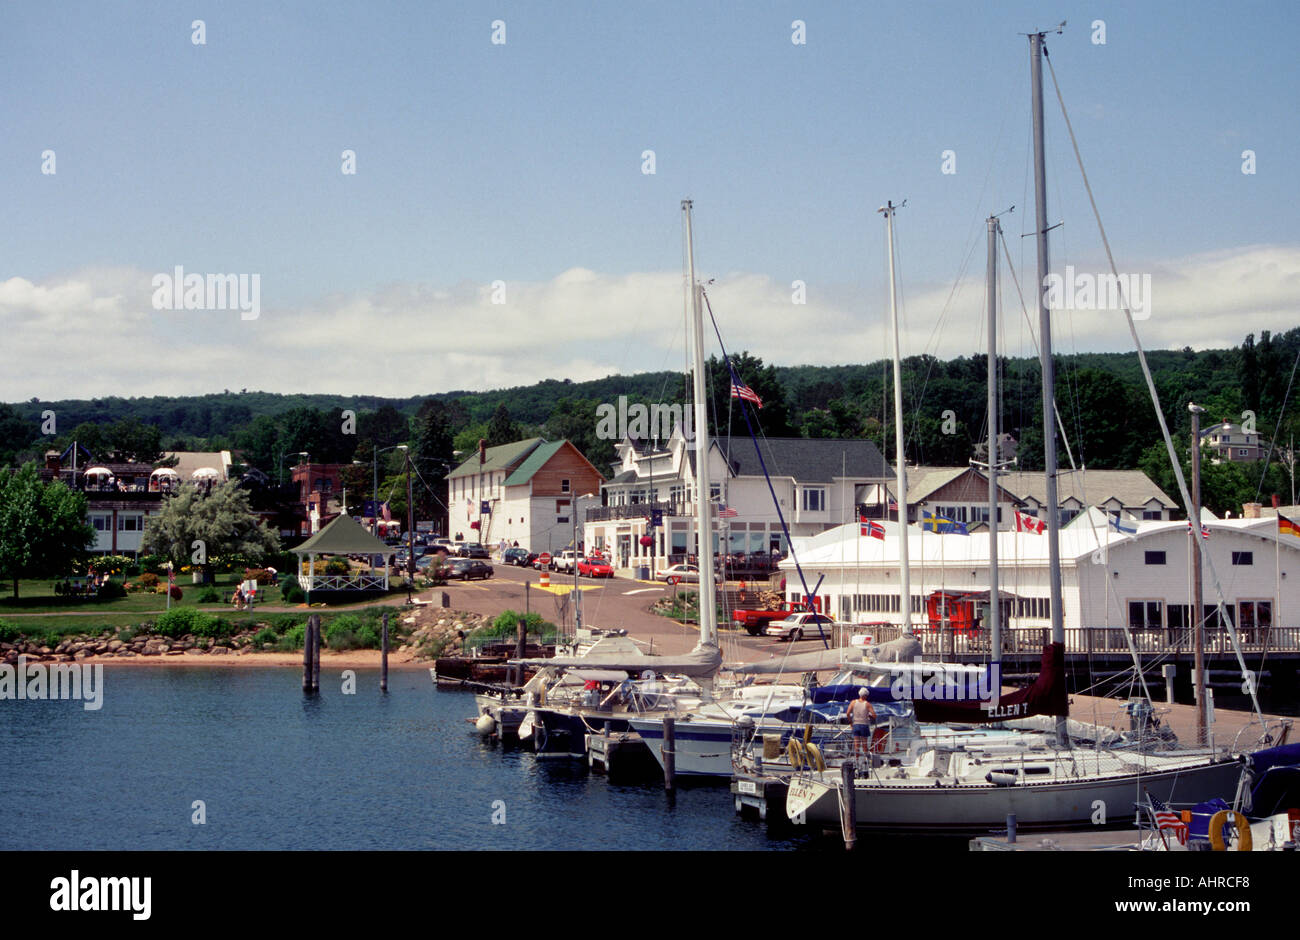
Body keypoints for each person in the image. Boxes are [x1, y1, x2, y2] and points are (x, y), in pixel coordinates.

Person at [847, 687, 877, 759]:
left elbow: (848, 713)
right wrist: (869, 716)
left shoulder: (853, 702)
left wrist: (851, 723)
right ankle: (866, 761)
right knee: (864, 745)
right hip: (864, 725)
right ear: (866, 695)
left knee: (856, 745)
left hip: (856, 725)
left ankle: (856, 760)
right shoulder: (867, 704)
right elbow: (874, 715)